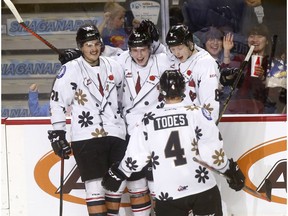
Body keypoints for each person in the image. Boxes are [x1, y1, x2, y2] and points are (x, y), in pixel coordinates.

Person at [101, 70, 245, 216]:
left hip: (168, 191)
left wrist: (121, 171)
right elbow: (212, 154)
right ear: (184, 88)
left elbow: (137, 155)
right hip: (202, 187)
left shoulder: (149, 118)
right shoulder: (197, 113)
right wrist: (228, 169)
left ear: (160, 89)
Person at [48, 24, 127, 216]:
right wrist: (58, 133)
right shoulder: (70, 69)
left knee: (116, 187)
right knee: (95, 190)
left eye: (96, 44)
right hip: (86, 137)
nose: (93, 49)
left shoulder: (115, 65)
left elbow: (124, 97)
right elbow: (57, 101)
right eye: (88, 45)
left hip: (115, 133)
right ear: (81, 47)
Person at [113, 23, 174, 216]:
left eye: (143, 50)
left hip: (156, 131)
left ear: (150, 48)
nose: (139, 55)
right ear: (129, 50)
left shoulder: (162, 60)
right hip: (131, 132)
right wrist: (72, 62)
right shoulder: (120, 61)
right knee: (136, 185)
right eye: (135, 50)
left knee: (158, 184)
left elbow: (182, 54)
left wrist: (157, 41)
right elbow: (97, 59)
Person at [165, 24, 221, 122]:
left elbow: (210, 104)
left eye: (180, 48)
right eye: (173, 49)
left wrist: (207, 128)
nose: (176, 53)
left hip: (195, 124)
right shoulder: (173, 58)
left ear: (190, 44)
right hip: (176, 122)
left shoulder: (205, 63)